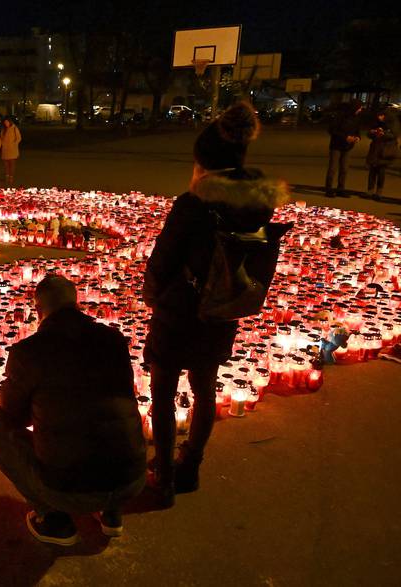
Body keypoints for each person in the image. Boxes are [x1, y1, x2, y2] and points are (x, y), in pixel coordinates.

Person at [143, 102, 288, 506]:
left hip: (179, 312)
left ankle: (165, 475)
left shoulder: (192, 206)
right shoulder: (257, 204)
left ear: (204, 166)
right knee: (204, 389)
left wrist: (154, 297)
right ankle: (192, 467)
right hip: (222, 310)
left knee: (163, 393)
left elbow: (163, 260)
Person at [0, 274, 146, 546]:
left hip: (70, 487)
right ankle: (111, 513)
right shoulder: (113, 339)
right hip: (131, 479)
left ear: (38, 310)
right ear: (76, 303)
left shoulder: (30, 351)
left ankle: (54, 519)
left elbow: (11, 417)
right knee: (106, 423)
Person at [324, 101, 362, 197]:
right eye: (360, 108)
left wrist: (357, 137)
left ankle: (341, 188)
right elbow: (332, 130)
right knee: (333, 168)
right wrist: (345, 137)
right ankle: (329, 189)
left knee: (344, 168)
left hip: (348, 147)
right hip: (336, 145)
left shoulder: (356, 118)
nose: (361, 110)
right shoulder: (339, 116)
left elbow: (357, 130)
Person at [365, 109, 398, 200]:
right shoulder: (376, 122)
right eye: (378, 115)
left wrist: (384, 134)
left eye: (381, 115)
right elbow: (369, 133)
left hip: (385, 150)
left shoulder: (393, 123)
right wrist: (372, 132)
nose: (379, 117)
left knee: (381, 171)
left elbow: (394, 135)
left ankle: (379, 192)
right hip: (375, 148)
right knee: (372, 171)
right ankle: (370, 191)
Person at [0, 117, 22, 185]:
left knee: (12, 164)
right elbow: (1, 138)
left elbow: (19, 138)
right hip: (5, 150)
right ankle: (7, 176)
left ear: (10, 122)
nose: (6, 123)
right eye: (5, 122)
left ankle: (11, 177)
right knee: (6, 165)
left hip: (12, 150)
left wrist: (14, 144)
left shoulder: (14, 128)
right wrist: (3, 144)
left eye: (7, 122)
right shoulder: (3, 130)